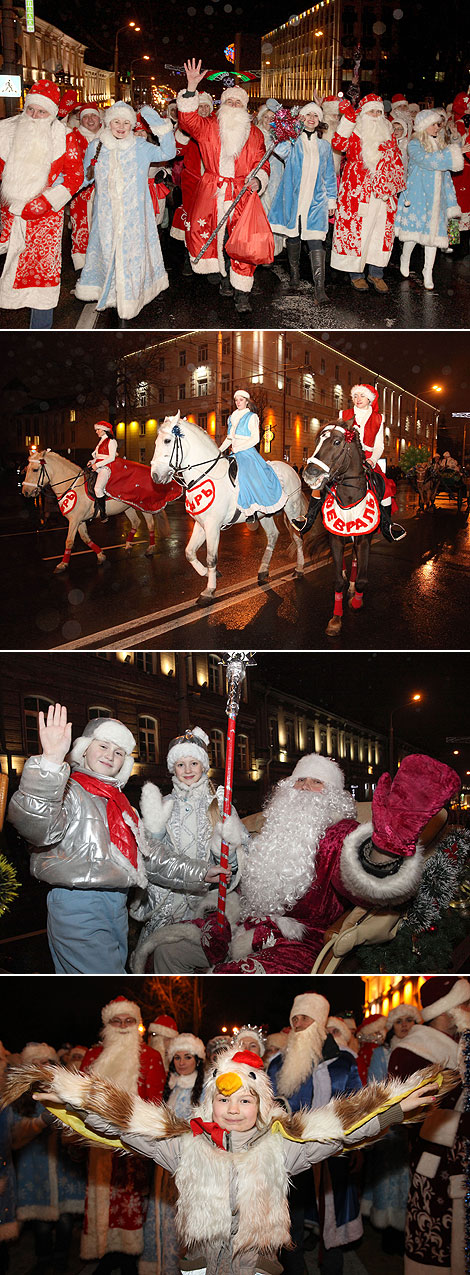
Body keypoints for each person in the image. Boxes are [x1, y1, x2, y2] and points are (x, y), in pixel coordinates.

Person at [9, 1044, 448, 1275]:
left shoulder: (282, 1147)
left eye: (245, 1100)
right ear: (208, 1103)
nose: (234, 1109)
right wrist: (72, 1103)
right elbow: (124, 1126)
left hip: (255, 1265)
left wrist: (394, 1110)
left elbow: (341, 1131)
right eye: (224, 1100)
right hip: (199, 1263)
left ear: (263, 1104)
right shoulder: (186, 1144)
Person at [214, 750, 460, 974]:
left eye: (317, 782)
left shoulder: (339, 834)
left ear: (333, 795)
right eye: (300, 780)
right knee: (178, 945)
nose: (305, 787)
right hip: (244, 925)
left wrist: (384, 852)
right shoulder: (275, 828)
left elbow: (361, 883)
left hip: (298, 941)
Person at [8, 705, 146, 974]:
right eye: (103, 746)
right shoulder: (70, 791)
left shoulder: (121, 804)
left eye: (119, 752)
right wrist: (49, 762)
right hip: (77, 905)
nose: (110, 756)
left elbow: (150, 856)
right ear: (84, 749)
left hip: (117, 904)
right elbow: (35, 827)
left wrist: (200, 872)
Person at [130, 726, 245, 974]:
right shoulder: (163, 806)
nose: (188, 770)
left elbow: (238, 864)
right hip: (168, 907)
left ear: (204, 766)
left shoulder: (220, 806)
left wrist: (229, 854)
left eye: (194, 762)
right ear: (173, 769)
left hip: (208, 908)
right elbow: (150, 862)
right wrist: (155, 832)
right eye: (181, 764)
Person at [268, 992, 363, 1275]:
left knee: (331, 1220)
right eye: (294, 1018)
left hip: (332, 1155)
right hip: (290, 1159)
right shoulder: (276, 1064)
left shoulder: (345, 1061)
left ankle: (332, 1269)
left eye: (305, 1018)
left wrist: (357, 1148)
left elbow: (358, 1106)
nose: (297, 1023)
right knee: (291, 1221)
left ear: (319, 1022)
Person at [176, 58, 274, 313]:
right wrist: (190, 87)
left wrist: (258, 179)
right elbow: (187, 120)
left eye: (238, 102)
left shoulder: (255, 134)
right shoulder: (208, 127)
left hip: (243, 193)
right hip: (212, 190)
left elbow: (263, 164)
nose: (233, 105)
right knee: (209, 235)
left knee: (243, 241)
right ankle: (222, 277)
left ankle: (242, 292)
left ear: (245, 107)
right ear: (222, 105)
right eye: (229, 101)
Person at [78, 996, 166, 1274]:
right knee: (102, 1197)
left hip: (134, 1143)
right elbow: (79, 1097)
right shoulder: (93, 1056)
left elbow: (155, 1101)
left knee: (131, 1200)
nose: (124, 1026)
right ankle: (106, 1252)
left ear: (138, 1024)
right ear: (107, 1025)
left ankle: (129, 1257)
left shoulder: (151, 1057)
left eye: (130, 1021)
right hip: (97, 1144)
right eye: (117, 1021)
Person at [391, 976, 470, 1275]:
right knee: (434, 1241)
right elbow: (408, 1114)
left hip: (463, 1161)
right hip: (433, 1164)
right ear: (450, 1010)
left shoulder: (465, 1045)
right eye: (466, 1003)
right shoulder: (411, 1051)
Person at [76, 100, 176, 324]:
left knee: (131, 259)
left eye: (126, 122)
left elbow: (169, 151)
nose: (121, 127)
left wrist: (157, 124)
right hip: (105, 218)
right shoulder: (97, 146)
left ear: (132, 125)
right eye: (116, 122)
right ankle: (112, 297)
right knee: (107, 254)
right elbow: (84, 177)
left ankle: (130, 300)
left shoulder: (141, 147)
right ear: (108, 122)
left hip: (135, 219)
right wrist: (58, 189)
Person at [0, 79, 83, 328]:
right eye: (31, 110)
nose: (35, 115)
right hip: (7, 212)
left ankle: (40, 330)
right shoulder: (7, 130)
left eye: (42, 111)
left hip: (44, 217)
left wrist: (46, 202)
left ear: (52, 113)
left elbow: (74, 176)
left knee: (41, 278)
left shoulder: (64, 136)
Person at [293, 381, 405, 541]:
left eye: (362, 396)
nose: (358, 399)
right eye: (355, 396)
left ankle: (387, 526)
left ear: (370, 399)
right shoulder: (344, 414)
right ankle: (308, 519)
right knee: (321, 480)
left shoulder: (378, 418)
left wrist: (373, 460)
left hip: (367, 457)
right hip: (344, 455)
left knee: (384, 486)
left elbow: (379, 445)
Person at [13, 1041, 86, 1275]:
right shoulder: (19, 1097)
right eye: (36, 1063)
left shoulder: (63, 1091)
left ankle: (61, 1260)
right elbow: (13, 1135)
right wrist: (39, 1122)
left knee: (65, 1219)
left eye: (47, 1062)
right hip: (35, 1166)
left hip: (63, 1166)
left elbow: (78, 1127)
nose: (42, 1067)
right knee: (41, 1222)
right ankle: (43, 1260)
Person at [331, 94, 405, 293]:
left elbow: (398, 162)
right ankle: (356, 274)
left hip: (383, 194)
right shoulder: (354, 132)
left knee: (380, 233)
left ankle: (376, 273)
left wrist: (391, 186)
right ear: (363, 114)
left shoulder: (388, 136)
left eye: (379, 112)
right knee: (358, 232)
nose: (375, 115)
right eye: (372, 111)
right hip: (357, 191)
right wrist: (347, 120)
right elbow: (338, 144)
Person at [268, 101, 337, 302]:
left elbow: (329, 175)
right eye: (308, 115)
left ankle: (319, 288)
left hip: (316, 201)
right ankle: (295, 274)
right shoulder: (292, 143)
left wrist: (331, 200)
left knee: (316, 240)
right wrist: (283, 120)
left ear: (319, 121)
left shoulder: (324, 146)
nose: (311, 119)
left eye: (315, 116)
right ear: (301, 118)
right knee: (294, 237)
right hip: (294, 199)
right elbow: (278, 149)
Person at [395, 109, 465, 290]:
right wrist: (455, 152)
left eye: (438, 124)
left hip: (437, 199)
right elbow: (428, 160)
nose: (437, 127)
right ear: (424, 126)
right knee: (412, 234)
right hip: (418, 196)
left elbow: (447, 175)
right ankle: (405, 259)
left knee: (433, 236)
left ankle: (428, 272)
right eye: (434, 124)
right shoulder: (415, 144)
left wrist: (451, 202)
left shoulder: (441, 145)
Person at [219, 389, 284, 520]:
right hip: (234, 452)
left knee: (247, 476)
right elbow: (229, 438)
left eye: (241, 400)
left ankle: (253, 509)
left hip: (247, 452)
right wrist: (219, 451)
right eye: (236, 400)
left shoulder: (252, 417)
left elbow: (255, 439)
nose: (238, 402)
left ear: (247, 402)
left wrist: (239, 448)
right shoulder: (232, 417)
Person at [170, 91, 214, 274]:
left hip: (212, 183)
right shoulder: (188, 128)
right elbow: (176, 151)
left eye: (206, 106)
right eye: (200, 106)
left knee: (211, 221)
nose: (203, 110)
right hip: (192, 183)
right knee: (191, 221)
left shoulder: (216, 126)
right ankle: (191, 256)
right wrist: (183, 133)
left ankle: (211, 259)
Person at [68, 103, 103, 271]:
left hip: (106, 191)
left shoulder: (111, 135)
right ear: (80, 120)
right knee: (82, 227)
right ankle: (85, 271)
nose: (90, 120)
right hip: (81, 192)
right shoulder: (73, 137)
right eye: (86, 117)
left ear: (99, 117)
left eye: (93, 116)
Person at [162, 1033, 206, 1118]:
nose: (181, 1063)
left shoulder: (206, 1087)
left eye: (188, 1057)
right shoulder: (172, 1084)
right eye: (177, 1058)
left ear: (198, 1061)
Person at [88, 420, 118, 521]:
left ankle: (103, 514)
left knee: (97, 488)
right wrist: (92, 462)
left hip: (106, 467)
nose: (96, 432)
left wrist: (97, 465)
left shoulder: (111, 441)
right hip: (98, 466)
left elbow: (111, 458)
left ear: (104, 430)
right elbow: (99, 456)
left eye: (98, 429)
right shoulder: (100, 441)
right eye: (96, 430)